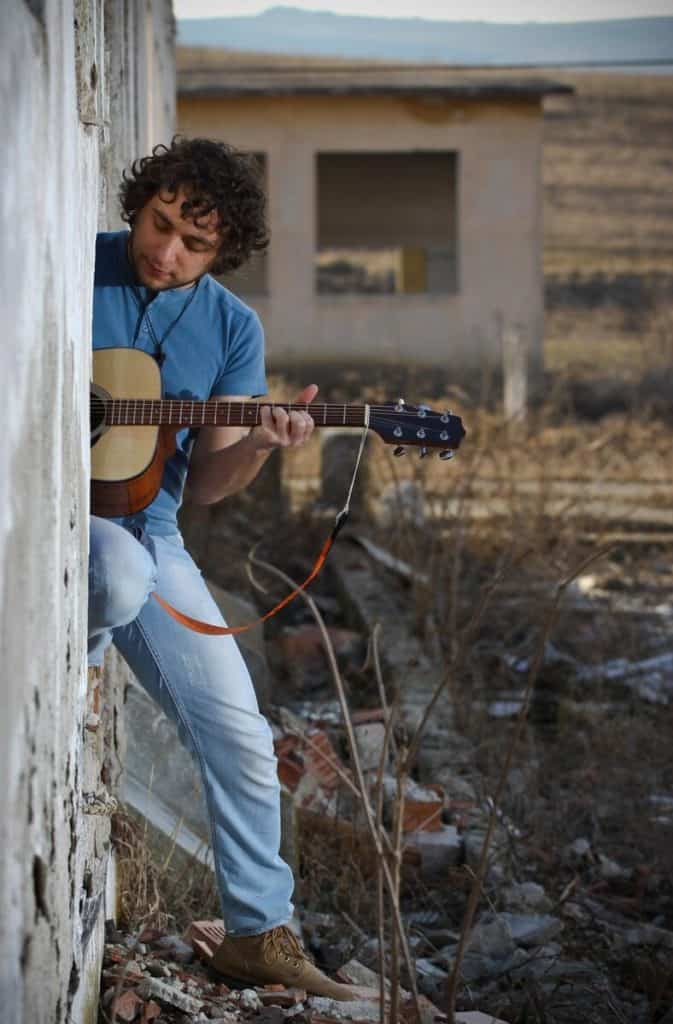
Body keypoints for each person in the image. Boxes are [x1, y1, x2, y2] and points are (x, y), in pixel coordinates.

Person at [89, 136, 355, 1000]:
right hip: (39, 510)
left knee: (242, 734)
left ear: (221, 252)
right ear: (139, 204)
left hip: (148, 524)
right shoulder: (59, 264)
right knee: (115, 575)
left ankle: (259, 934)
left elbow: (205, 487)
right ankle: (67, 686)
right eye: (158, 223)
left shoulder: (233, 331)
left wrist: (261, 451)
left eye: (192, 243)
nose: (163, 251)